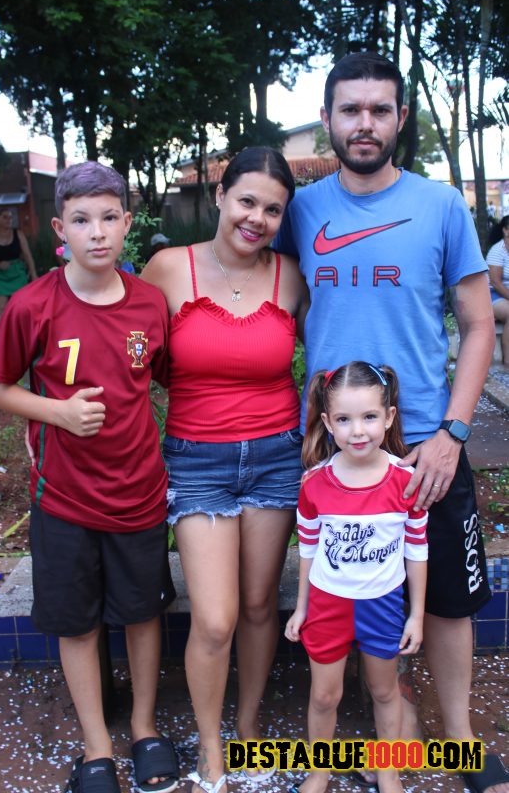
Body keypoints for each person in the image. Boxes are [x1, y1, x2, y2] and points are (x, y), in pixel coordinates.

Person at [275, 52, 509, 793]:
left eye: (380, 109)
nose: (365, 123)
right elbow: (268, 297)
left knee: (446, 599)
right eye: (350, 109)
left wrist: (453, 433)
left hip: (424, 439)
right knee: (346, 575)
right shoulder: (301, 211)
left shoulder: (440, 205)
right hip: (332, 439)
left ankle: (461, 739)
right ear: (328, 118)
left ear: (400, 118)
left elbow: (478, 324)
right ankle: (378, 711)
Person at [0, 162, 179, 793]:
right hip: (63, 499)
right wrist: (57, 412)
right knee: (78, 623)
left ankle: (144, 729)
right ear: (60, 229)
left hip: (139, 493)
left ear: (127, 222)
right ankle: (97, 748)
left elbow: (167, 377)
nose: (98, 232)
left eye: (110, 218)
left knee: (143, 615)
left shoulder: (149, 303)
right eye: (82, 220)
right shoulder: (31, 305)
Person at [140, 146, 309, 793]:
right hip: (197, 459)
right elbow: (132, 349)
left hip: (275, 456)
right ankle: (210, 743)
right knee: (215, 618)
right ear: (219, 195)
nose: (256, 218)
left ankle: (249, 724)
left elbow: (325, 349)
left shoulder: (290, 276)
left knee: (260, 604)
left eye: (273, 209)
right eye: (246, 201)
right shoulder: (168, 269)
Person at [286, 361, 427, 793]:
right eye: (344, 420)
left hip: (382, 606)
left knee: (384, 692)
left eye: (369, 417)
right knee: (324, 695)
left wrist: (416, 615)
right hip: (328, 604)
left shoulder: (406, 482)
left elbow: (416, 550)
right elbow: (308, 548)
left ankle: (388, 773)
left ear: (389, 417)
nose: (358, 431)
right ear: (328, 423)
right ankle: (319, 773)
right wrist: (301, 608)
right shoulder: (314, 483)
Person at [0, 207, 38, 330]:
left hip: (17, 272)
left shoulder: (18, 234)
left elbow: (27, 255)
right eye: (5, 217)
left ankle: (22, 335)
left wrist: (33, 274)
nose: (9, 220)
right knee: (0, 308)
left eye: (10, 217)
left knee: (22, 305)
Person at [486, 215, 509, 369]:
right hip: (493, 294)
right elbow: (495, 282)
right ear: (505, 231)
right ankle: (507, 361)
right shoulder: (497, 251)